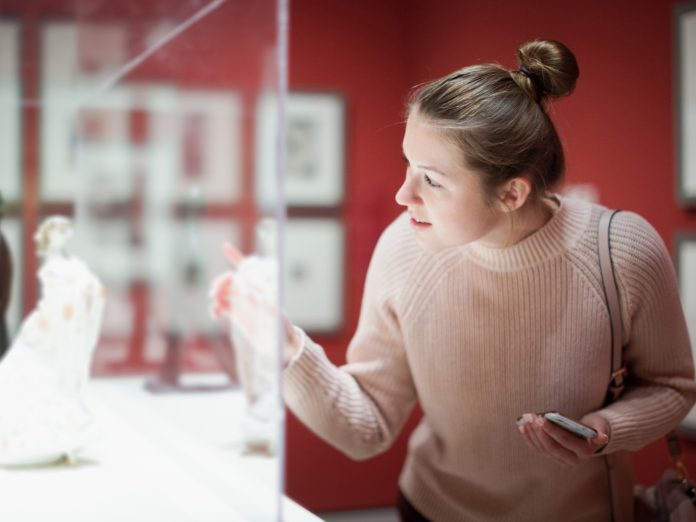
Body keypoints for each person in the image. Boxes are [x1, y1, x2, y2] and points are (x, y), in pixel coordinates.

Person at [214, 39, 696, 521]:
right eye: (408, 165)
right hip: (431, 510)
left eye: (432, 180)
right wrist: (283, 346)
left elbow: (673, 386)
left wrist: (604, 430)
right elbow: (366, 427)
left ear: (511, 193)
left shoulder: (621, 251)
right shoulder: (403, 248)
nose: (404, 195)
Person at [0, 216, 105, 466]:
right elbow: (56, 296)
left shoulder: (73, 264)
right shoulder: (50, 269)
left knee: (58, 375)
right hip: (55, 320)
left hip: (67, 324)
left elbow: (87, 286)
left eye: (64, 231)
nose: (62, 235)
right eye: (57, 231)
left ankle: (66, 434)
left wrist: (91, 295)